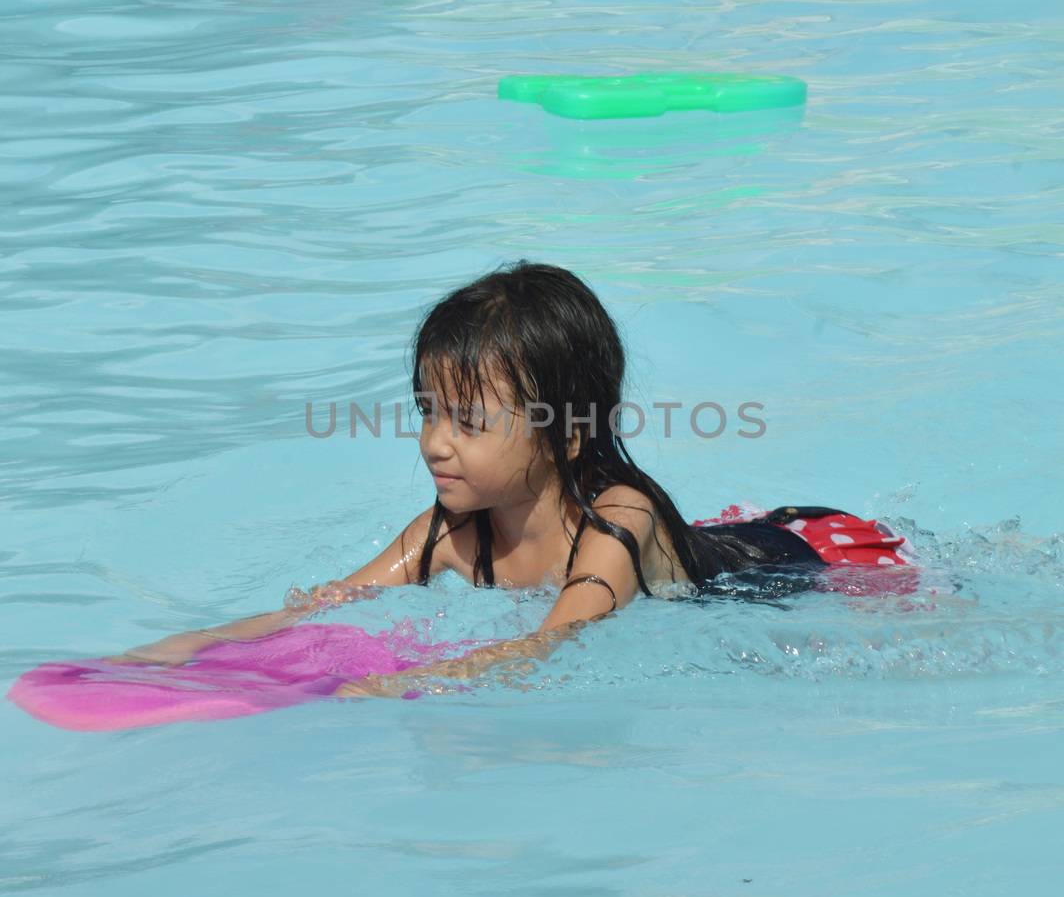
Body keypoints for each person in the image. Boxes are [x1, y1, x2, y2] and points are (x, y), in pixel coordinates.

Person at [105, 261, 914, 697]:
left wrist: (419, 684)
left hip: (817, 558)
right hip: (721, 539)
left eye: (468, 421)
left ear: (564, 434)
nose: (434, 445)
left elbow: (553, 644)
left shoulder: (617, 520)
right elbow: (333, 602)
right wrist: (189, 648)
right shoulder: (453, 532)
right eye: (428, 412)